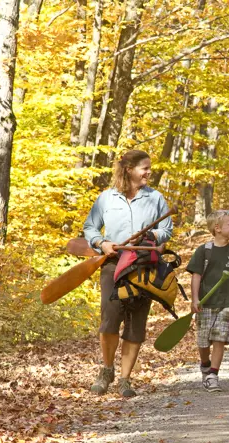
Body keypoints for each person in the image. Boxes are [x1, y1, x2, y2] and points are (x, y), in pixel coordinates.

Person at [84, 150, 173, 397]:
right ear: (129, 169)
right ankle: (107, 369)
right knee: (109, 321)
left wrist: (153, 235)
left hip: (145, 266)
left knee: (136, 324)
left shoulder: (155, 198)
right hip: (113, 264)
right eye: (144, 167)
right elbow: (90, 227)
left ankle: (125, 379)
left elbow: (166, 230)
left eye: (149, 167)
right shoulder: (106, 199)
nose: (149, 172)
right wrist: (102, 244)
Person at [186, 210, 229, 393]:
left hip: (227, 301)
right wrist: (195, 299)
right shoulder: (204, 251)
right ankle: (205, 364)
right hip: (206, 302)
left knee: (219, 337)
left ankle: (213, 375)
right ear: (217, 228)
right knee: (204, 340)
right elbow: (196, 276)